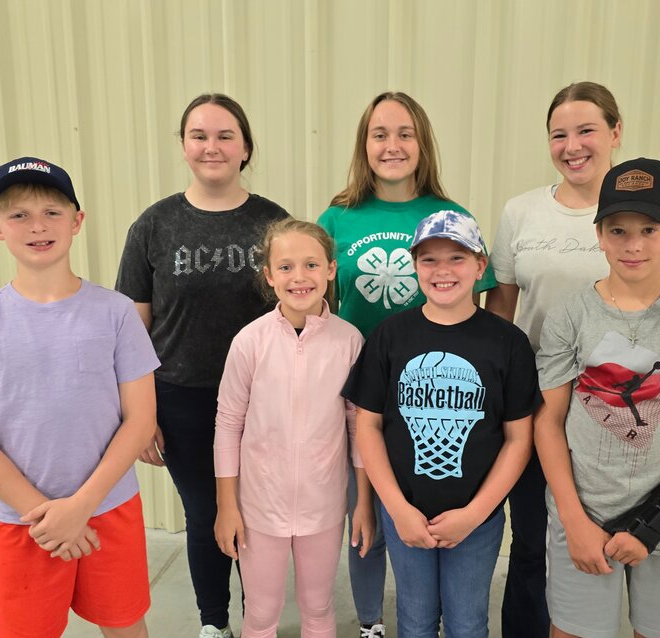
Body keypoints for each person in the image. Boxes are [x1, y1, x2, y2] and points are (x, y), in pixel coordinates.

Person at [486, 81, 660, 638]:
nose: (572, 145)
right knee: (533, 541)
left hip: (618, 409)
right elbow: (501, 313)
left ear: (615, 133)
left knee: (620, 543)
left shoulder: (646, 218)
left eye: (586, 130)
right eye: (559, 134)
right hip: (537, 403)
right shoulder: (521, 212)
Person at [0, 157, 160, 638]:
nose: (37, 226)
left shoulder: (117, 314)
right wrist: (46, 515)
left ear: (77, 221)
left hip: (109, 508)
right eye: (18, 214)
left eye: (52, 212)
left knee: (124, 622)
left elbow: (140, 421)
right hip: (25, 520)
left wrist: (81, 506)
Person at [317, 91, 497, 637]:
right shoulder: (337, 216)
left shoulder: (451, 217)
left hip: (438, 393)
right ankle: (371, 621)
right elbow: (318, 305)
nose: (391, 145)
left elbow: (482, 316)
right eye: (379, 134)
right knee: (365, 514)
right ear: (363, 144)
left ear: (422, 143)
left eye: (404, 134)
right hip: (363, 395)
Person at [534, 158, 660, 638]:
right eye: (619, 230)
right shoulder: (569, 316)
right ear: (599, 234)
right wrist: (573, 519)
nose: (634, 244)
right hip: (582, 516)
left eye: (649, 228)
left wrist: (651, 526)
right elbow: (548, 423)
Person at [116, 94, 289, 638]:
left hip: (262, 398)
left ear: (245, 148)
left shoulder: (271, 221)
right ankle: (214, 623)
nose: (211, 147)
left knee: (255, 515)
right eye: (199, 135)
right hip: (182, 399)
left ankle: (257, 621)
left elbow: (296, 312)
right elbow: (131, 331)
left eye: (224, 135)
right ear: (185, 146)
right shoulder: (155, 225)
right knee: (206, 515)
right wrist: (137, 416)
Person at [344, 211, 539, 637]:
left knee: (467, 624)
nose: (443, 271)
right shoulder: (390, 336)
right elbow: (369, 427)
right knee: (414, 622)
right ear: (414, 266)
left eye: (457, 257)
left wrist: (475, 513)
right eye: (429, 260)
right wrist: (396, 510)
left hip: (477, 520)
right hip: (404, 513)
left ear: (480, 266)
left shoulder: (508, 343)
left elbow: (518, 439)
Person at [213, 218, 372, 637]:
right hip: (258, 508)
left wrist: (363, 502)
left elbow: (359, 427)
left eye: (311, 265)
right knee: (262, 612)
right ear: (268, 275)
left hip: (323, 507)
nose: (299, 277)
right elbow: (228, 423)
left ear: (331, 270)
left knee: (318, 608)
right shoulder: (249, 342)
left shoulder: (350, 341)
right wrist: (227, 505)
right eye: (285, 267)